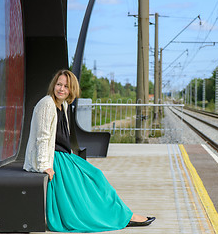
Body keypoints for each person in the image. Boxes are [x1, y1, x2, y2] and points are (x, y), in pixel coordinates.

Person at [23, 70, 155, 232]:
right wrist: (45, 166)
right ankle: (122, 217)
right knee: (85, 185)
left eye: (66, 86)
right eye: (59, 84)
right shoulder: (47, 104)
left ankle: (123, 214)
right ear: (53, 85)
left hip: (64, 156)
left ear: (72, 89)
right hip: (53, 159)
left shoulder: (63, 104)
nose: (61, 89)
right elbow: (42, 137)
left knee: (96, 175)